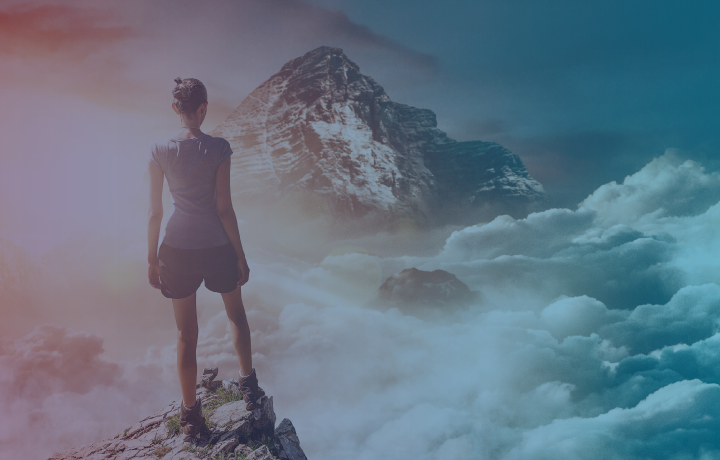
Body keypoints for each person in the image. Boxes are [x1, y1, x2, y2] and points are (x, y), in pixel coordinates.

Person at [147, 77, 264, 442]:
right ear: (203, 108)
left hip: (176, 251)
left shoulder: (159, 150)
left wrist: (151, 259)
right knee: (237, 315)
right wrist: (240, 255)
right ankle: (249, 387)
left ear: (174, 109)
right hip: (217, 248)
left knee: (186, 335)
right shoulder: (219, 148)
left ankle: (191, 415)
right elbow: (224, 208)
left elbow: (154, 212)